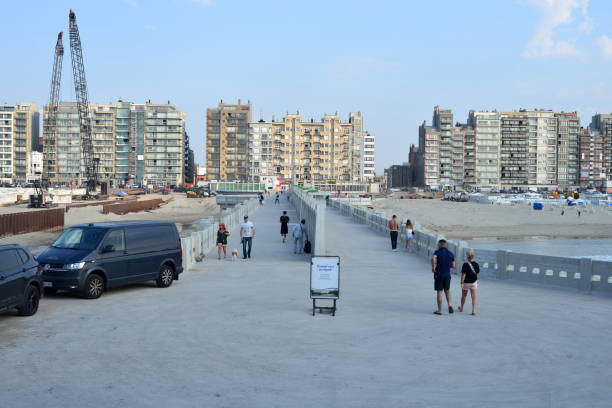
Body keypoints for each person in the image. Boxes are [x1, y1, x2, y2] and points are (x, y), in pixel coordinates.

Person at [431, 239, 456, 315]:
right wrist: (448, 266)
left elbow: (433, 258)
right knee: (447, 291)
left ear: (439, 244)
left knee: (439, 292)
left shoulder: (437, 252)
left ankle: (439, 310)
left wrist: (433, 267)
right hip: (447, 275)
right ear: (445, 245)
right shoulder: (450, 253)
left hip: (439, 274)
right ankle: (450, 305)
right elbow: (454, 265)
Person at [459, 249, 479, 316]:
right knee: (474, 297)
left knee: (464, 296)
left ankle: (461, 307)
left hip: (466, 283)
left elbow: (463, 274)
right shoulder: (476, 264)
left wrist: (461, 282)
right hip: (474, 282)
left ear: (467, 256)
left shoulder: (465, 264)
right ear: (473, 256)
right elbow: (477, 272)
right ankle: (473, 311)